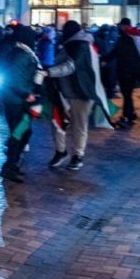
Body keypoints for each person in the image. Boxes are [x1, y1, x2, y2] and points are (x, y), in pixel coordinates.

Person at [45, 20, 102, 171]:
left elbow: (70, 66)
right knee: (58, 122)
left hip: (81, 91)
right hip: (65, 90)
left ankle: (77, 155)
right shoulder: (73, 43)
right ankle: (61, 151)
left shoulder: (80, 45)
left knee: (78, 124)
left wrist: (49, 72)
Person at [0, 25, 43, 183]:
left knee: (21, 133)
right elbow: (14, 78)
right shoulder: (22, 55)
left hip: (14, 99)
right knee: (19, 133)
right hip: (18, 100)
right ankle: (9, 167)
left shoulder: (19, 52)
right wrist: (27, 93)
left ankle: (12, 164)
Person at [104, 18, 140, 128]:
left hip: (127, 72)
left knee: (127, 95)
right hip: (138, 70)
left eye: (120, 26)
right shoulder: (139, 36)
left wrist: (105, 60)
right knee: (128, 95)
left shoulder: (125, 38)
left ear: (124, 26)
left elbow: (117, 52)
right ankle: (130, 114)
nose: (119, 28)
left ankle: (127, 118)